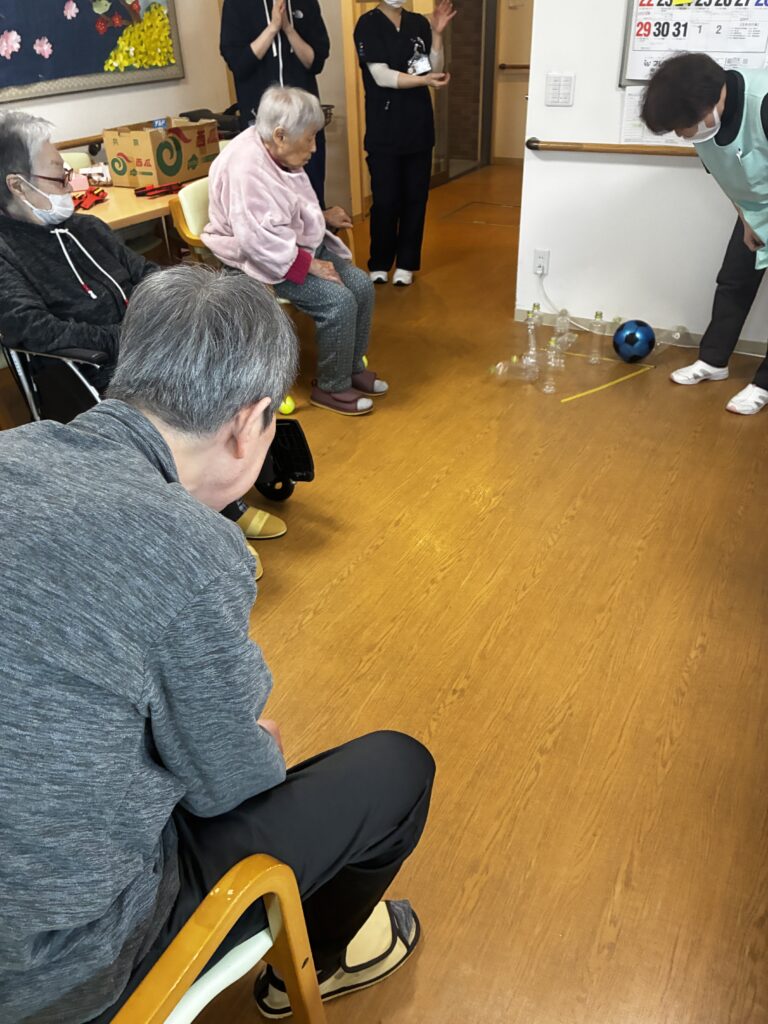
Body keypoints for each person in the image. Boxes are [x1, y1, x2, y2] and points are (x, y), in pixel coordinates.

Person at [0, 263, 436, 1024]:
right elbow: (230, 785)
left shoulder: (17, 449)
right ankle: (310, 971)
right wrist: (247, 746)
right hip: (55, 973)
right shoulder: (190, 548)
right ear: (250, 422)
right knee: (399, 770)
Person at [0, 110, 285, 576]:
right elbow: (31, 329)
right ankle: (195, 523)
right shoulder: (6, 250)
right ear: (17, 184)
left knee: (222, 376)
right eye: (58, 175)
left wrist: (175, 306)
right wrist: (127, 340)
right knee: (179, 413)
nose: (70, 183)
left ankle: (224, 498)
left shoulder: (87, 228)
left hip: (143, 349)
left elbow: (146, 274)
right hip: (86, 366)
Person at [203, 85, 388, 416]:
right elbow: (255, 240)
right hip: (259, 260)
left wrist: (322, 217)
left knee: (361, 286)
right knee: (338, 302)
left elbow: (291, 206)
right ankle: (331, 387)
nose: (314, 148)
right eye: (310, 139)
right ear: (280, 135)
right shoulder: (246, 168)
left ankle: (350, 368)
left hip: (294, 246)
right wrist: (310, 264)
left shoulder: (276, 149)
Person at [641, 54, 768, 416]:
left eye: (683, 126)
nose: (683, 135)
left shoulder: (763, 102)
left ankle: (764, 384)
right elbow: (729, 177)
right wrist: (746, 219)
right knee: (734, 281)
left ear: (713, 100)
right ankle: (713, 361)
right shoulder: (703, 125)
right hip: (755, 211)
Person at [354, 0, 455, 287]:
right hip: (384, 128)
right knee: (385, 199)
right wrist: (424, 82)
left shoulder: (418, 24)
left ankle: (407, 263)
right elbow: (381, 76)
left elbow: (431, 69)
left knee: (415, 198)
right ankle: (380, 261)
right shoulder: (368, 24)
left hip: (418, 127)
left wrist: (437, 34)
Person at [220, 0, 330, 207]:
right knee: (267, 201)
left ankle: (314, 227)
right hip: (261, 124)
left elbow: (316, 62)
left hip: (303, 124)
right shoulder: (236, 4)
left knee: (312, 198)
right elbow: (239, 64)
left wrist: (288, 29)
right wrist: (272, 28)